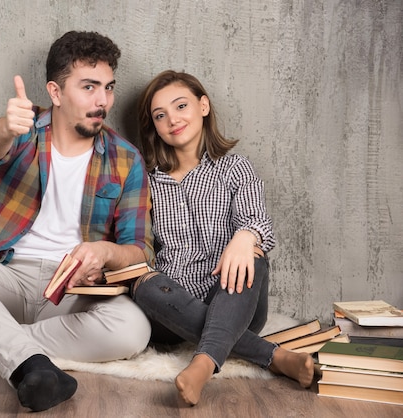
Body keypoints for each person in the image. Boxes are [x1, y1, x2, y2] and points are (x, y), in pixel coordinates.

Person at [0, 31, 154, 412]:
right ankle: (30, 364)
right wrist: (5, 127)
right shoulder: (23, 131)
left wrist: (104, 252)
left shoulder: (126, 159)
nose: (102, 100)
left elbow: (139, 252)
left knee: (134, 329)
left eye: (108, 87)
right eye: (88, 87)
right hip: (8, 279)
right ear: (55, 93)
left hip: (72, 293)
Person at [132, 70, 314, 406]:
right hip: (173, 308)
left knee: (254, 255)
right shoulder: (147, 183)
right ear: (154, 126)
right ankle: (274, 358)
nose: (172, 120)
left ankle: (202, 364)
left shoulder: (235, 168)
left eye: (181, 106)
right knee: (143, 285)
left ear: (203, 106)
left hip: (236, 298)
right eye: (160, 115)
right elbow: (135, 242)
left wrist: (245, 237)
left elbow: (258, 221)